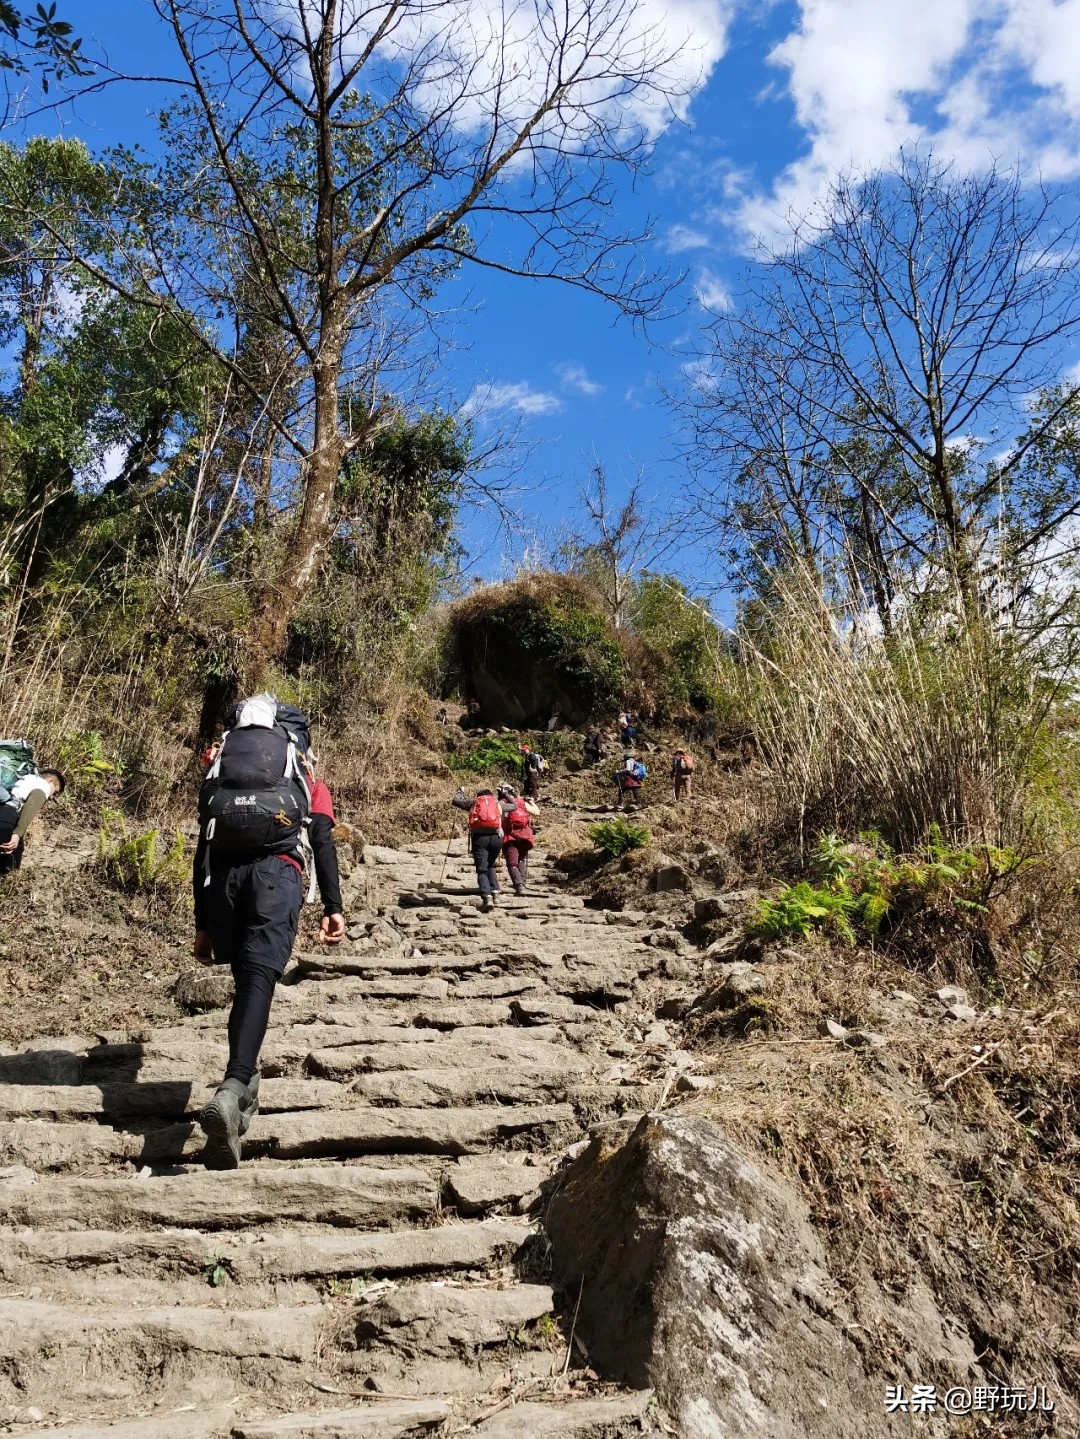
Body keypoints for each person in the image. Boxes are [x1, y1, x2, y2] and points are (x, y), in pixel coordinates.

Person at [193, 695, 345, 1169]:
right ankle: (235, 1085)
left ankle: (238, 1105)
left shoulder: (224, 767)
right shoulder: (306, 780)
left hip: (224, 879)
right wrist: (333, 906)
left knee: (245, 984)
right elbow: (320, 839)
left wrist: (202, 920)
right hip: (276, 875)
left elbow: (205, 838)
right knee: (259, 982)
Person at [0, 749, 65, 876]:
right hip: (6, 817)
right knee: (9, 866)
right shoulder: (43, 785)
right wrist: (17, 834)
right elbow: (31, 806)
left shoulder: (23, 778)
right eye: (55, 792)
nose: (52, 797)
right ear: (51, 781)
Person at [452, 785, 503, 911]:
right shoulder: (497, 803)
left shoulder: (474, 802)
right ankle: (495, 892)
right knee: (490, 864)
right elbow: (513, 806)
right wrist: (504, 793)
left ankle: (487, 896)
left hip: (480, 838)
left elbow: (456, 801)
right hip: (497, 838)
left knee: (482, 869)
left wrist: (460, 791)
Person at [497, 783, 539, 895]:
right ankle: (522, 883)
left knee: (512, 863)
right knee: (521, 860)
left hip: (510, 837)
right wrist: (531, 801)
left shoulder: (502, 804)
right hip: (525, 836)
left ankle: (519, 886)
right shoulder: (522, 803)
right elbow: (536, 812)